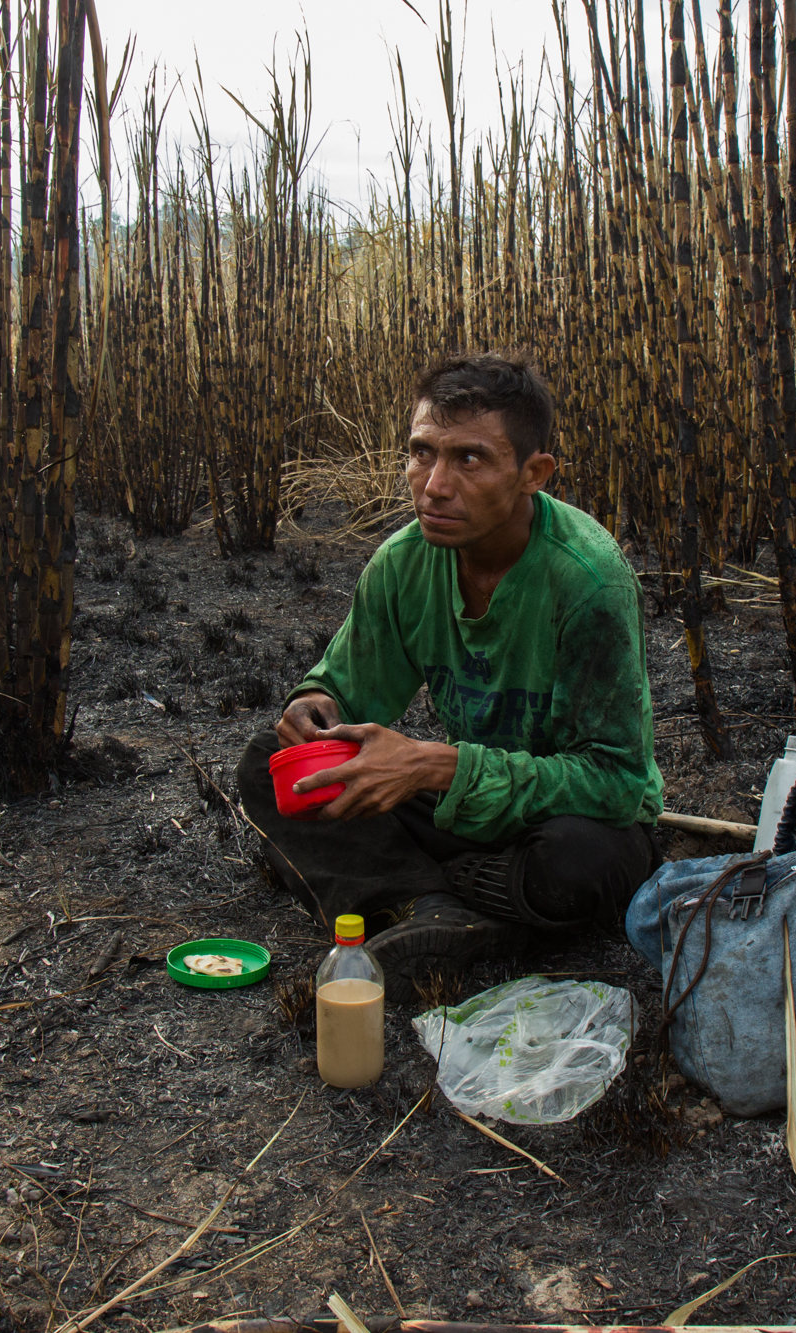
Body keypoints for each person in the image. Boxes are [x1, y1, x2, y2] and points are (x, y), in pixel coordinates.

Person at [236, 352, 662, 1000]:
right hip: (460, 807)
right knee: (273, 761)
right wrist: (316, 704)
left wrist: (436, 767)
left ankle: (426, 892)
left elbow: (617, 782)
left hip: (561, 819)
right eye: (420, 452)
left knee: (582, 863)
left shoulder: (588, 579)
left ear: (532, 473)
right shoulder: (403, 564)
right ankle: (435, 909)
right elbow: (348, 683)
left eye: (468, 459)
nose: (432, 484)